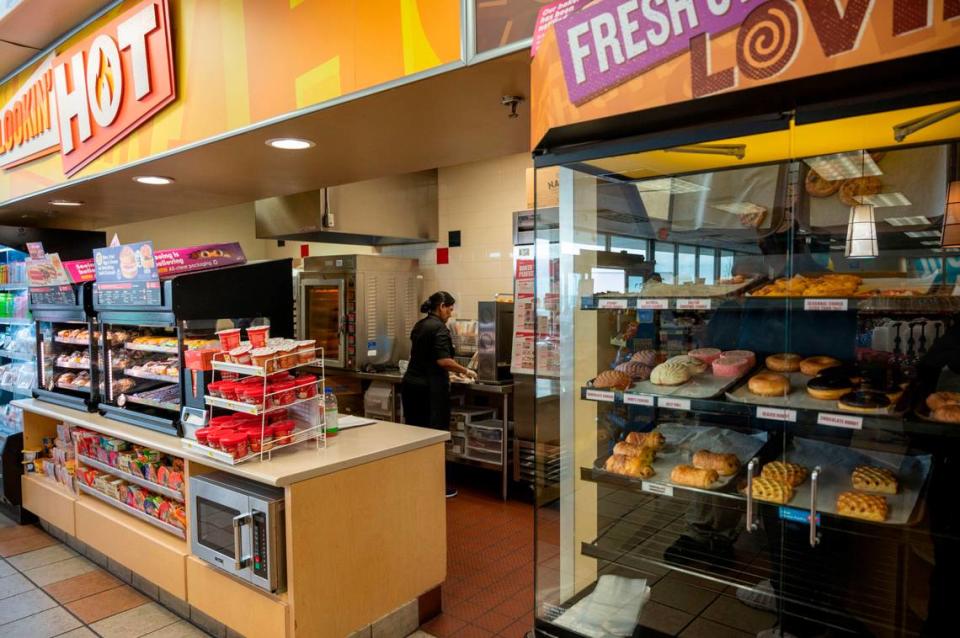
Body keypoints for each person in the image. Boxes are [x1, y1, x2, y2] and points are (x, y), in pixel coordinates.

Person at [401, 291, 477, 498]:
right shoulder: (440, 329)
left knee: (416, 435)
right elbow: (443, 361)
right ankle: (435, 486)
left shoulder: (420, 325)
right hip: (429, 390)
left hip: (411, 386)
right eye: (450, 309)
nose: (451, 314)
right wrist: (466, 370)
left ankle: (415, 481)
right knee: (434, 437)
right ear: (442, 306)